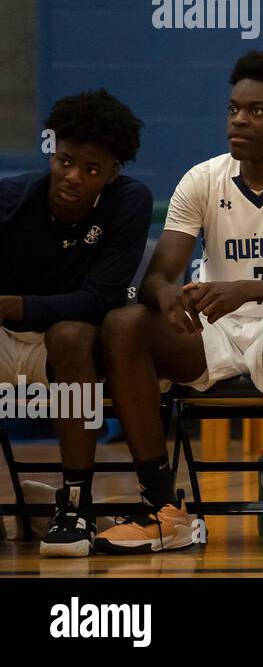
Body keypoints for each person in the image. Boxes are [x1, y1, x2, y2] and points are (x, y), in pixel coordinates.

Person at [99, 51, 263, 555]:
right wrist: (168, 295)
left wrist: (246, 289)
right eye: (234, 108)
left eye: (257, 111)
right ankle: (163, 508)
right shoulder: (202, 179)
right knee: (125, 324)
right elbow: (158, 277)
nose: (239, 119)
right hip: (214, 331)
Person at [0, 90, 150, 557]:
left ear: (112, 172)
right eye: (65, 161)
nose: (73, 177)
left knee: (70, 335)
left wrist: (16, 306)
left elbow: (99, 299)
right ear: (52, 151)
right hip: (5, 338)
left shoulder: (129, 202)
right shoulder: (11, 200)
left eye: (91, 170)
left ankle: (76, 503)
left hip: (71, 351)